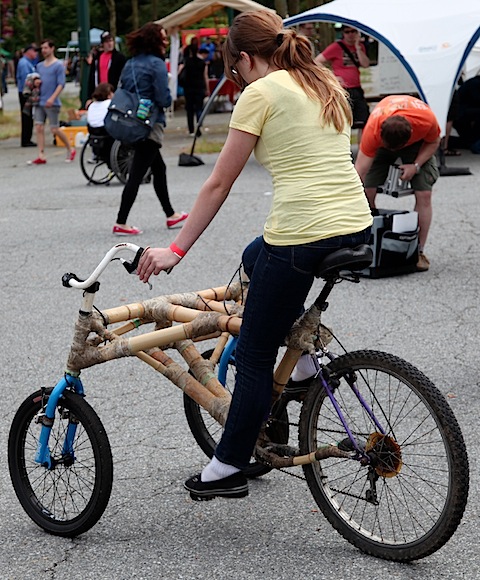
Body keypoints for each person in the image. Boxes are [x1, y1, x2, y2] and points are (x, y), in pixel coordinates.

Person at [137, 10, 373, 500]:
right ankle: (304, 366)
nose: (235, 77)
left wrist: (175, 249)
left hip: (301, 235)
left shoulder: (259, 93)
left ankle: (226, 467)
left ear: (244, 58)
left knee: (254, 355)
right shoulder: (323, 80)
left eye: (233, 69)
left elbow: (219, 182)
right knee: (255, 254)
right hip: (355, 228)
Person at [113, 23, 188, 236]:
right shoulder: (156, 64)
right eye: (163, 38)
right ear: (155, 40)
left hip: (132, 123)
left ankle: (171, 215)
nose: (165, 42)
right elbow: (164, 99)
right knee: (136, 174)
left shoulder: (130, 63)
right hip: (149, 124)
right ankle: (121, 222)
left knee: (159, 169)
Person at [355, 95, 441, 272]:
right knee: (365, 189)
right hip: (382, 145)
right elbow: (360, 170)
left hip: (417, 146)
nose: (395, 152)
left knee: (424, 194)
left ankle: (418, 252)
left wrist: (416, 166)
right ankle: (366, 243)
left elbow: (434, 141)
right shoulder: (373, 129)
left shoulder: (426, 120)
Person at [315, 25, 370, 136]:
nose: (350, 34)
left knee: (363, 120)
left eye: (353, 31)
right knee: (344, 119)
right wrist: (331, 76)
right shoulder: (336, 47)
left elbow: (365, 64)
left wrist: (358, 48)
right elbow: (317, 61)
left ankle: (361, 149)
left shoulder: (360, 47)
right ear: (343, 34)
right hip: (342, 88)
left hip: (356, 88)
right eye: (347, 32)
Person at [28, 39, 75, 165]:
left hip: (51, 101)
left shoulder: (58, 65)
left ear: (52, 48)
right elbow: (35, 80)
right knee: (38, 127)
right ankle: (41, 154)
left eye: (46, 48)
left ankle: (70, 149)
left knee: (54, 129)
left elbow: (61, 84)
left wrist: (53, 98)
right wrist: (35, 83)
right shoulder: (39, 66)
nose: (44, 50)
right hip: (39, 100)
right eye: (42, 48)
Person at [87, 31, 126, 100]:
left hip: (114, 93)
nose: (109, 44)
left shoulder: (119, 58)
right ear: (102, 44)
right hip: (100, 93)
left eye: (111, 41)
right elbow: (92, 77)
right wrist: (90, 96)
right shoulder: (97, 58)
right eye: (107, 42)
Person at [182, 46, 210, 136]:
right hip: (199, 87)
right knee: (199, 108)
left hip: (189, 88)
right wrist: (207, 88)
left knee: (190, 109)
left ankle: (191, 129)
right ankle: (199, 127)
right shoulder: (202, 63)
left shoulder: (187, 62)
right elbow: (205, 76)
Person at [16, 44, 38, 147]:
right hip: (25, 93)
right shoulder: (24, 63)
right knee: (26, 116)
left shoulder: (27, 62)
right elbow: (27, 79)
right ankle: (25, 140)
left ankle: (27, 138)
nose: (36, 53)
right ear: (28, 51)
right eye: (34, 51)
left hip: (26, 92)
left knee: (28, 116)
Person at [86, 82, 114, 163]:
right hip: (105, 131)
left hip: (93, 131)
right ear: (109, 94)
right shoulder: (109, 103)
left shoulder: (92, 105)